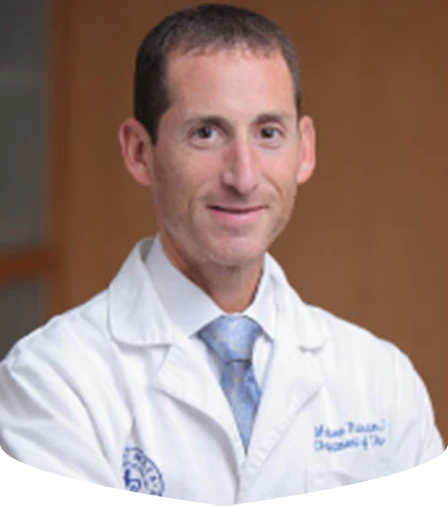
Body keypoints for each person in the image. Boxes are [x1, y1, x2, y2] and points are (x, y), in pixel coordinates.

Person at [0, 3, 444, 501]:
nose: (244, 176)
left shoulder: (381, 381)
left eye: (268, 133)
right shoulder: (51, 383)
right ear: (139, 152)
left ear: (305, 149)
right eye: (206, 133)